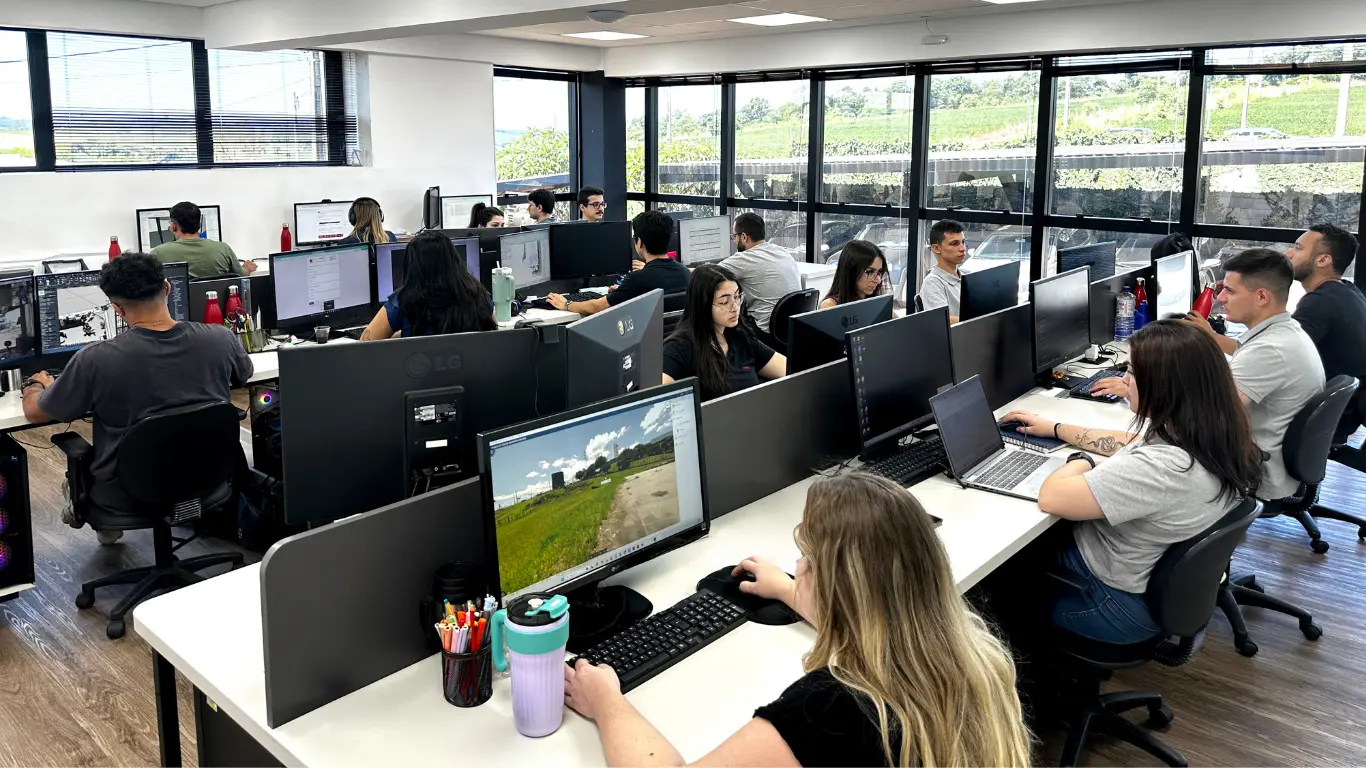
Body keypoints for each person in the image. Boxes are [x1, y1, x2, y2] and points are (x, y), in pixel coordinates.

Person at [563, 472, 1032, 767]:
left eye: (807, 559)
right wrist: (789, 590)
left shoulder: (831, 708)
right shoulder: (976, 654)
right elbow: (874, 616)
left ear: (840, 586)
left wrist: (607, 703)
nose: (799, 565)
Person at [1004, 319, 1263, 644]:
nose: (1124, 381)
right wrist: (1056, 429)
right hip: (1148, 587)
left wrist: (1082, 460)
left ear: (1164, 386)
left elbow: (1053, 496)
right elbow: (1131, 442)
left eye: (1132, 373)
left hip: (1110, 605)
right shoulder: (1214, 433)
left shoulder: (1164, 469)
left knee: (1000, 569)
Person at [21, 254, 253, 541]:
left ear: (117, 308)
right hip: (208, 478)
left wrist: (35, 386)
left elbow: (35, 413)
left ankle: (107, 528)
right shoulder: (221, 339)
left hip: (126, 495)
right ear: (167, 288)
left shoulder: (95, 360)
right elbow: (244, 375)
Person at [1093, 249, 1324, 501]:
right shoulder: (1284, 332)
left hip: (1252, 470)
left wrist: (1139, 388)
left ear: (1261, 296)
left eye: (1230, 291)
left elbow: (1205, 413)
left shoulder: (1269, 351)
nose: (1220, 298)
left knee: (1118, 457)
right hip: (1261, 452)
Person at [1287, 223, 1366, 444]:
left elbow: (1277, 353)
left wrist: (1210, 336)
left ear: (1323, 260)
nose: (1289, 253)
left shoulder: (1320, 302)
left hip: (1323, 420)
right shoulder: (1346, 290)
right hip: (1342, 409)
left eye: (1298, 248)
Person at [663, 264, 785, 401]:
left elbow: (789, 369)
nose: (735, 307)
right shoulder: (678, 348)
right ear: (702, 305)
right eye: (724, 302)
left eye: (737, 297)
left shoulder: (740, 338)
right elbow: (657, 398)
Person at [549, 210, 689, 317]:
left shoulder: (637, 279)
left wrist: (566, 304)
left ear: (640, 242)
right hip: (671, 341)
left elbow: (596, 307)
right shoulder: (685, 273)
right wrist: (623, 291)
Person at [360, 232, 495, 340]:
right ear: (453, 260)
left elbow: (365, 344)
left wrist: (402, 335)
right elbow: (494, 334)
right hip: (470, 366)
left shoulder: (402, 301)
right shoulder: (479, 295)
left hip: (419, 366)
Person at [718, 212, 801, 340]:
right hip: (793, 332)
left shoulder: (745, 258)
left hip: (764, 335)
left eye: (734, 236)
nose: (734, 241)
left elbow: (706, 274)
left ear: (744, 237)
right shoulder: (783, 252)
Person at [150, 201, 256, 278]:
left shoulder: (158, 253)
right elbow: (240, 275)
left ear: (173, 226)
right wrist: (247, 268)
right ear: (199, 225)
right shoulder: (223, 249)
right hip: (216, 303)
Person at [917, 219, 966, 323]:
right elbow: (942, 319)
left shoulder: (966, 276)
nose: (962, 248)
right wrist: (979, 319)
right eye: (954, 243)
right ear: (936, 248)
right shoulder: (933, 283)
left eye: (963, 242)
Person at [821, 240, 888, 309]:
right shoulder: (830, 305)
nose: (878, 280)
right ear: (852, 271)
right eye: (870, 272)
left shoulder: (878, 303)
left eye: (880, 272)